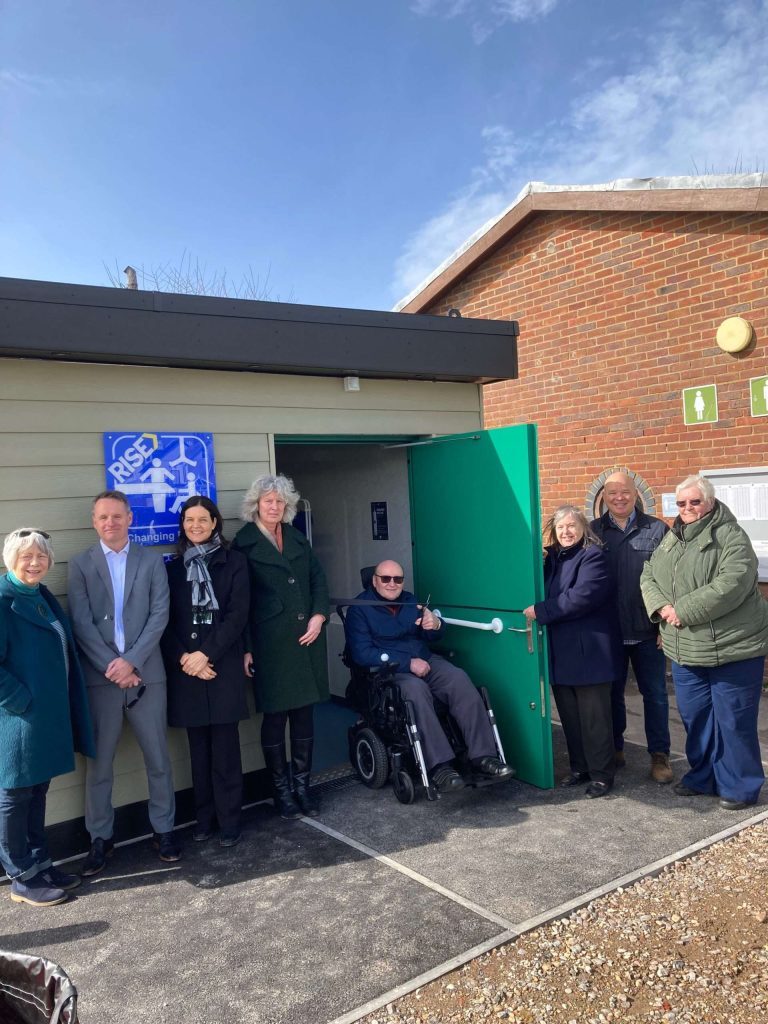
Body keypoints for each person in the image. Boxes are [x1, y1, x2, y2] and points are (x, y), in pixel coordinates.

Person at [641, 474, 768, 811]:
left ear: (710, 502)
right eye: (682, 503)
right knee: (696, 719)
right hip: (686, 650)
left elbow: (733, 582)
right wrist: (661, 607)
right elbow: (648, 574)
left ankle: (740, 786)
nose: (688, 508)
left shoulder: (731, 537)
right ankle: (703, 777)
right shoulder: (673, 538)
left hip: (733, 649)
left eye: (695, 501)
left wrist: (683, 610)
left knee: (733, 721)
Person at [67, 490, 179, 873]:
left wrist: (130, 661)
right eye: (102, 517)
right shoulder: (80, 564)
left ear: (130, 518)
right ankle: (100, 838)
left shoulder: (151, 561)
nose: (110, 523)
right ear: (93, 521)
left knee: (158, 759)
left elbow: (160, 614)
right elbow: (80, 623)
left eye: (117, 516)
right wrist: (112, 666)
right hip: (101, 680)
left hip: (147, 675)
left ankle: (164, 830)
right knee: (99, 766)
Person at [344, 559, 514, 791]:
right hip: (390, 671)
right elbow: (362, 654)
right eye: (386, 578)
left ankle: (484, 756)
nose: (392, 584)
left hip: (425, 659)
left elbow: (433, 636)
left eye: (398, 579)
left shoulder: (411, 600)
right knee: (415, 690)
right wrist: (407, 663)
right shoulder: (359, 609)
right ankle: (440, 767)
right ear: (375, 580)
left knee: (459, 679)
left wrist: (435, 625)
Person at [0, 528, 95, 907]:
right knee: (15, 793)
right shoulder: (4, 600)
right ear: (11, 560)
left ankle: (40, 862)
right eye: (27, 557)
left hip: (44, 715)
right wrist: (20, 699)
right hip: (18, 718)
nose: (35, 563)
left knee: (37, 789)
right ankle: (20, 874)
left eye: (41, 557)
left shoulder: (40, 596)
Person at [232, 474, 329, 819]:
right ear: (256, 505)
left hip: (307, 640)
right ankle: (282, 791)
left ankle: (303, 787)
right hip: (268, 644)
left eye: (280, 501)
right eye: (268, 500)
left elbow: (318, 579)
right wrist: (245, 648)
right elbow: (238, 603)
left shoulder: (296, 537)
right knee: (274, 717)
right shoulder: (242, 544)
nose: (274, 506)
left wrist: (319, 616)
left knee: (304, 715)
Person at [161, 496, 250, 847]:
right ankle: (204, 819)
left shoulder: (235, 563)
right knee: (197, 752)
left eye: (202, 519)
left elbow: (237, 615)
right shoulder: (172, 569)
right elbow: (163, 621)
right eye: (188, 520)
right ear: (182, 525)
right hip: (187, 671)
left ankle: (230, 821)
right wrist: (186, 658)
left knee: (225, 749)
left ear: (215, 523)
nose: (195, 525)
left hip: (222, 666)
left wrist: (205, 655)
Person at [524, 506, 623, 798]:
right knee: (570, 717)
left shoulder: (593, 557)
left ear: (583, 528)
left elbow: (581, 597)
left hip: (590, 654)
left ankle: (602, 775)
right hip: (562, 653)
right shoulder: (552, 560)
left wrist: (540, 611)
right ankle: (580, 768)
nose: (566, 532)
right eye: (560, 528)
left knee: (595, 720)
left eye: (572, 526)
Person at [591, 471, 672, 783]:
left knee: (655, 695)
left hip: (647, 632)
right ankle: (616, 749)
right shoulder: (594, 531)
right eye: (612, 493)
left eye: (624, 492)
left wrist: (665, 626)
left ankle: (660, 756)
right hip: (608, 632)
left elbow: (671, 580)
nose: (619, 498)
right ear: (604, 497)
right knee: (611, 695)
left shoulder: (656, 530)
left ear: (635, 494)